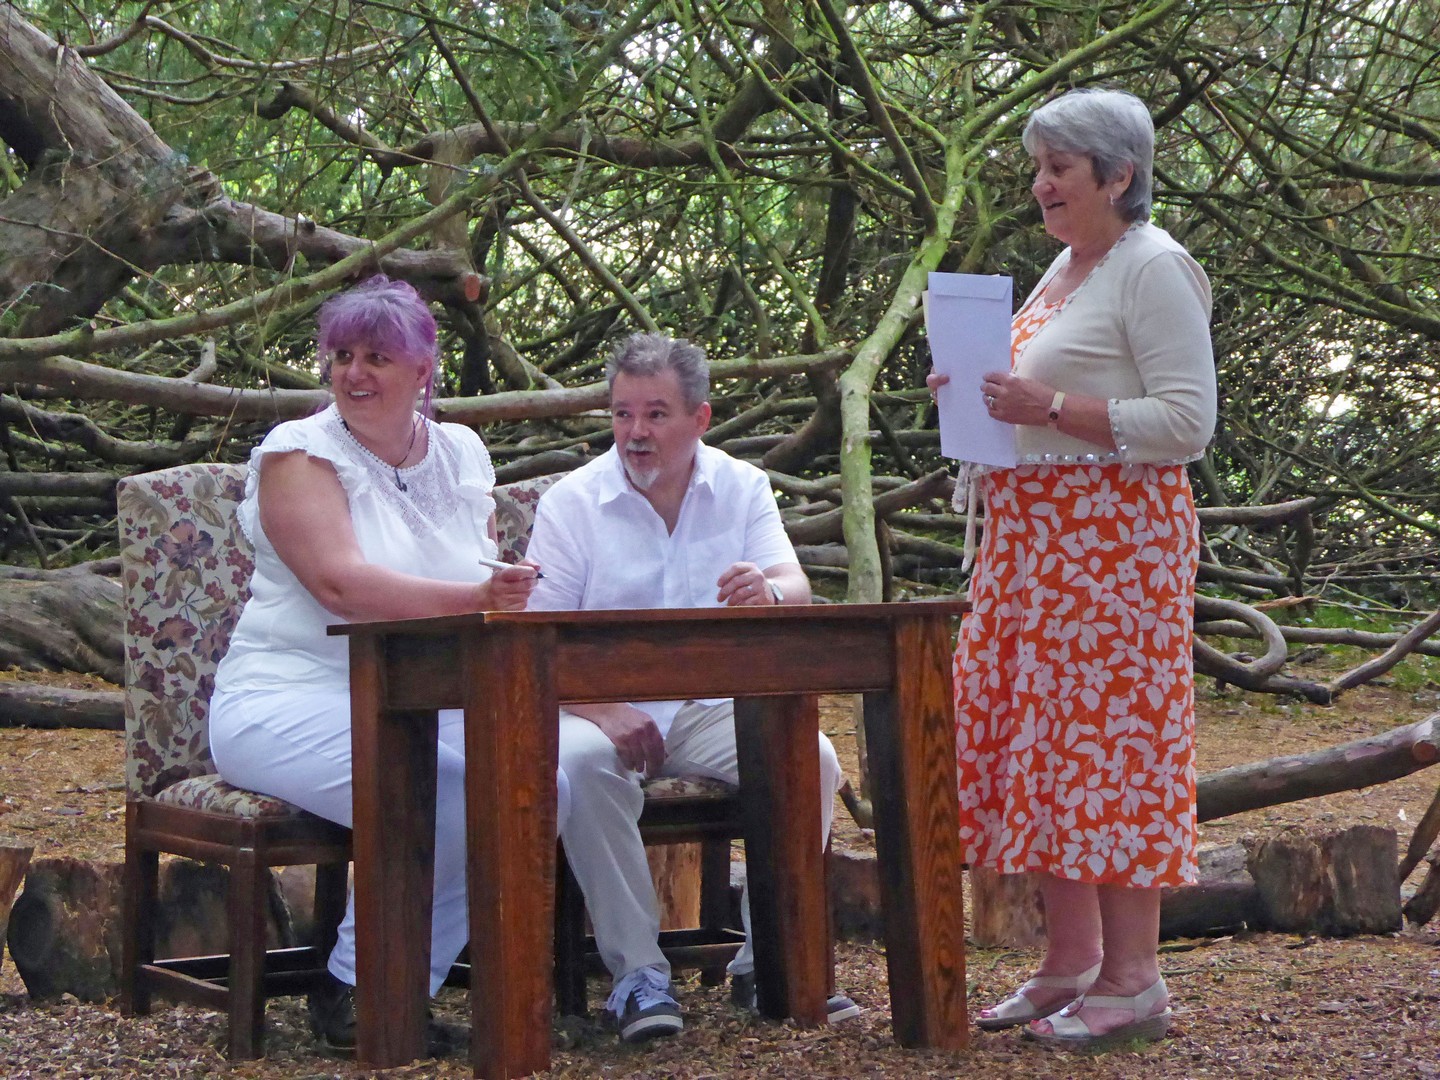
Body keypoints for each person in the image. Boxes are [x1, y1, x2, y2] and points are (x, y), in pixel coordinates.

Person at [927, 88, 1216, 1049]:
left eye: (1059, 168)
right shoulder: (1068, 266)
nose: (1041, 185)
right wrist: (970, 392)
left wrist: (1047, 408)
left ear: (1118, 174)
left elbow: (1188, 423)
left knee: (1110, 749)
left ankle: (1135, 984)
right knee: (1044, 745)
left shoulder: (1154, 266)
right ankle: (1071, 963)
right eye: (1038, 168)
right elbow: (1029, 391)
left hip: (1113, 551)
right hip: (1032, 547)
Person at [208, 275, 556, 1056]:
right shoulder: (298, 454)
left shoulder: (461, 450)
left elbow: (479, 567)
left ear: (423, 369)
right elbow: (341, 586)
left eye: (376, 357)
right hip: (286, 700)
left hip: (423, 699)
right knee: (441, 790)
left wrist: (505, 588)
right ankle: (360, 992)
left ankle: (415, 984)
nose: (354, 373)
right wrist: (474, 599)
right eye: (341, 356)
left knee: (543, 781)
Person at [525, 332, 858, 1043]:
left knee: (813, 757)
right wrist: (602, 710)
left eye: (656, 414)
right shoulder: (572, 503)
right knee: (579, 764)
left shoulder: (742, 486)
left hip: (708, 707)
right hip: (596, 711)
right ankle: (638, 976)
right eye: (622, 414)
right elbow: (528, 644)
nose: (635, 433)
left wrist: (768, 590)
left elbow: (794, 582)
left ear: (700, 418)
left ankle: (770, 960)